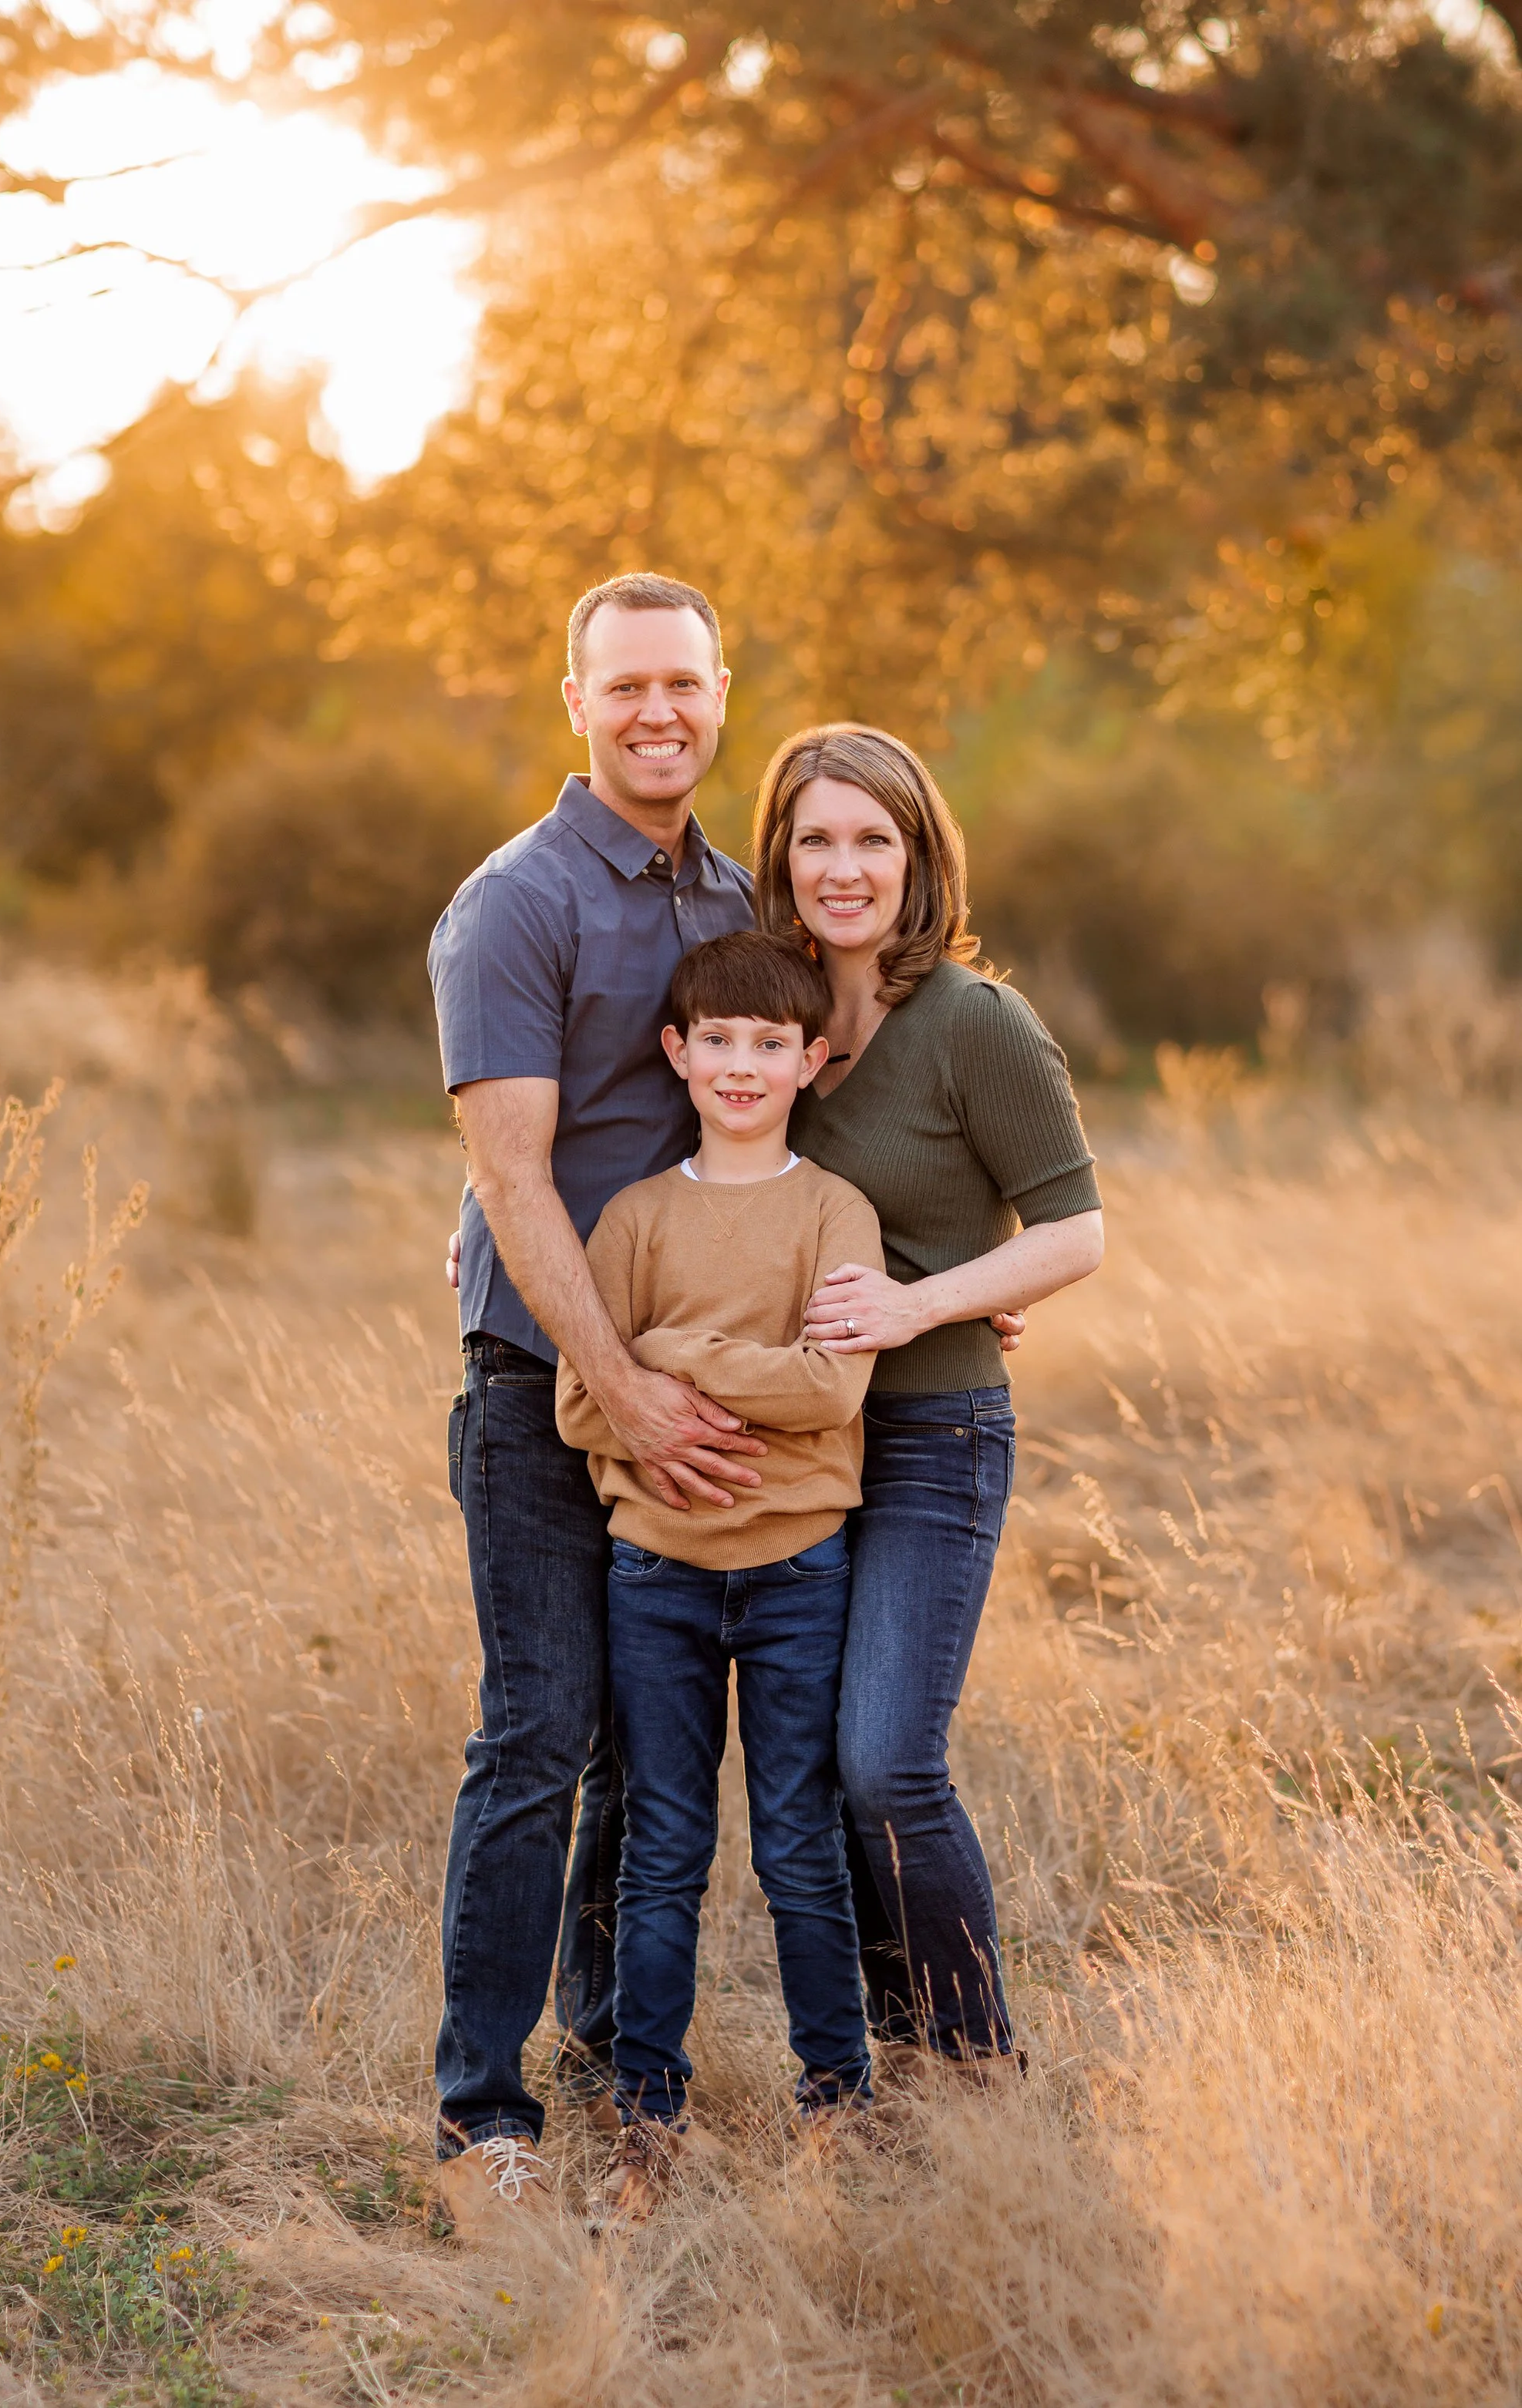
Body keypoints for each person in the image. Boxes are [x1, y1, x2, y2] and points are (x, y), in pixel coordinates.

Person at [426, 573, 766, 2231]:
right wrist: (616, 1384)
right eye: (625, 682)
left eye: (683, 683)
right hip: (540, 1386)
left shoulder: (741, 892)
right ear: (574, 697)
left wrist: (935, 1301)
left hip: (692, 1396)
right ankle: (480, 2122)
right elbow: (511, 1175)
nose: (659, 711)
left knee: (651, 1753)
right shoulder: (518, 902)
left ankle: (614, 2075)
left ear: (721, 691)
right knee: (540, 1734)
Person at [752, 722, 1106, 2077]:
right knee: (822, 1780)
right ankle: (891, 2071)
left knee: (889, 1761)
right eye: (818, 838)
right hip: (798, 1438)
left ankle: (979, 2066)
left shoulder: (976, 1024)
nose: (845, 869)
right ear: (782, 853)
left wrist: (925, 1301)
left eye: (874, 840)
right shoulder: (763, 1010)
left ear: (920, 858)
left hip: (932, 1433)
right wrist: (476, 1224)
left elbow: (1074, 1233)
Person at [555, 931, 884, 2224]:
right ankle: (648, 2125)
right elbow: (589, 1399)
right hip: (657, 1578)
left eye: (771, 1045)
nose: (742, 1066)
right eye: (719, 1042)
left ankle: (836, 2111)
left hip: (803, 1570)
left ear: (811, 1060)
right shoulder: (635, 1218)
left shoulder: (832, 1211)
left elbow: (833, 1387)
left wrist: (676, 1355)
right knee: (662, 1850)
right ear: (677, 1053)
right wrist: (652, 1373)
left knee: (802, 1846)